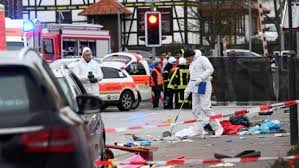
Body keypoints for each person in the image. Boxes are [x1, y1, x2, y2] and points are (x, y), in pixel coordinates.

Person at [183, 49, 223, 137]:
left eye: (187, 58)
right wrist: (187, 90)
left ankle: (218, 128)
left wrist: (201, 78)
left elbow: (210, 69)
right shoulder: (191, 64)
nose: (187, 60)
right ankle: (199, 129)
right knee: (195, 109)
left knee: (205, 107)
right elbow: (192, 79)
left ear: (191, 56)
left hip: (204, 85)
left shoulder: (202, 59)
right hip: (195, 86)